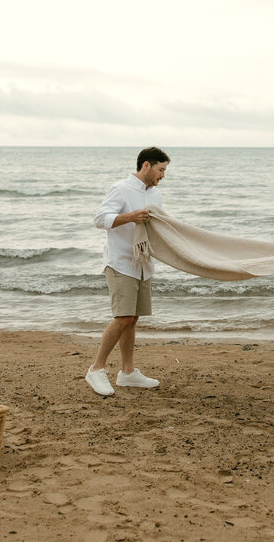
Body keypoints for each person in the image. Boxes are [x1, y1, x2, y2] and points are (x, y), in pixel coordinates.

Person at [85, 147, 170, 396]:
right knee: (123, 317)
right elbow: (100, 219)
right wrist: (130, 217)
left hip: (143, 264)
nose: (163, 175)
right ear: (146, 165)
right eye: (161, 170)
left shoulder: (155, 195)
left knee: (132, 319)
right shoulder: (121, 188)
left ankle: (127, 372)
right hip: (120, 262)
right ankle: (96, 369)